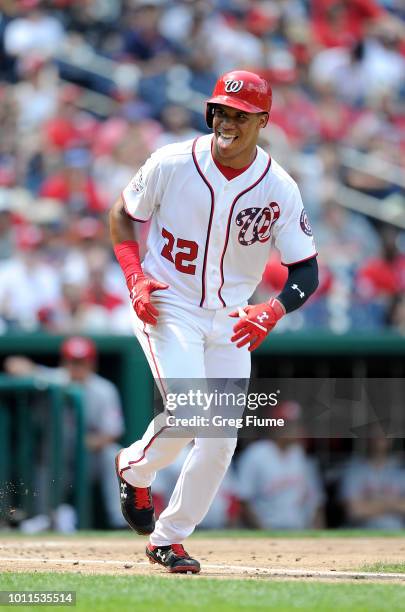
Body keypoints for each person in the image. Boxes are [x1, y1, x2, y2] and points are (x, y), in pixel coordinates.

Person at [110, 70, 319, 573]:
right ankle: (134, 469)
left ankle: (169, 538)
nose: (227, 121)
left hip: (231, 316)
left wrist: (273, 310)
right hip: (168, 301)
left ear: (262, 121)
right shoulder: (173, 160)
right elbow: (122, 214)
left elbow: (306, 269)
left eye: (240, 115)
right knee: (192, 416)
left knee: (221, 438)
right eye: (221, 111)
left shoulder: (279, 187)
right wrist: (135, 276)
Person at [4, 336, 125, 530]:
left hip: (87, 457)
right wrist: (32, 371)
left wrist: (83, 443)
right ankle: (42, 519)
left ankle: (120, 520)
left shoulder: (104, 389)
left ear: (91, 364)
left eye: (81, 362)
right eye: (72, 362)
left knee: (113, 454)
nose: (76, 368)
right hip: (54, 459)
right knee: (43, 457)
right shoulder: (54, 379)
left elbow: (112, 433)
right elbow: (14, 364)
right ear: (64, 362)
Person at [237, 402, 325, 530]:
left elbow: (315, 501)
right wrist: (262, 531)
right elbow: (244, 499)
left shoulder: (301, 455)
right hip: (267, 529)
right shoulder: (256, 454)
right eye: (288, 424)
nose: (295, 429)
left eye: (296, 424)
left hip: (298, 531)